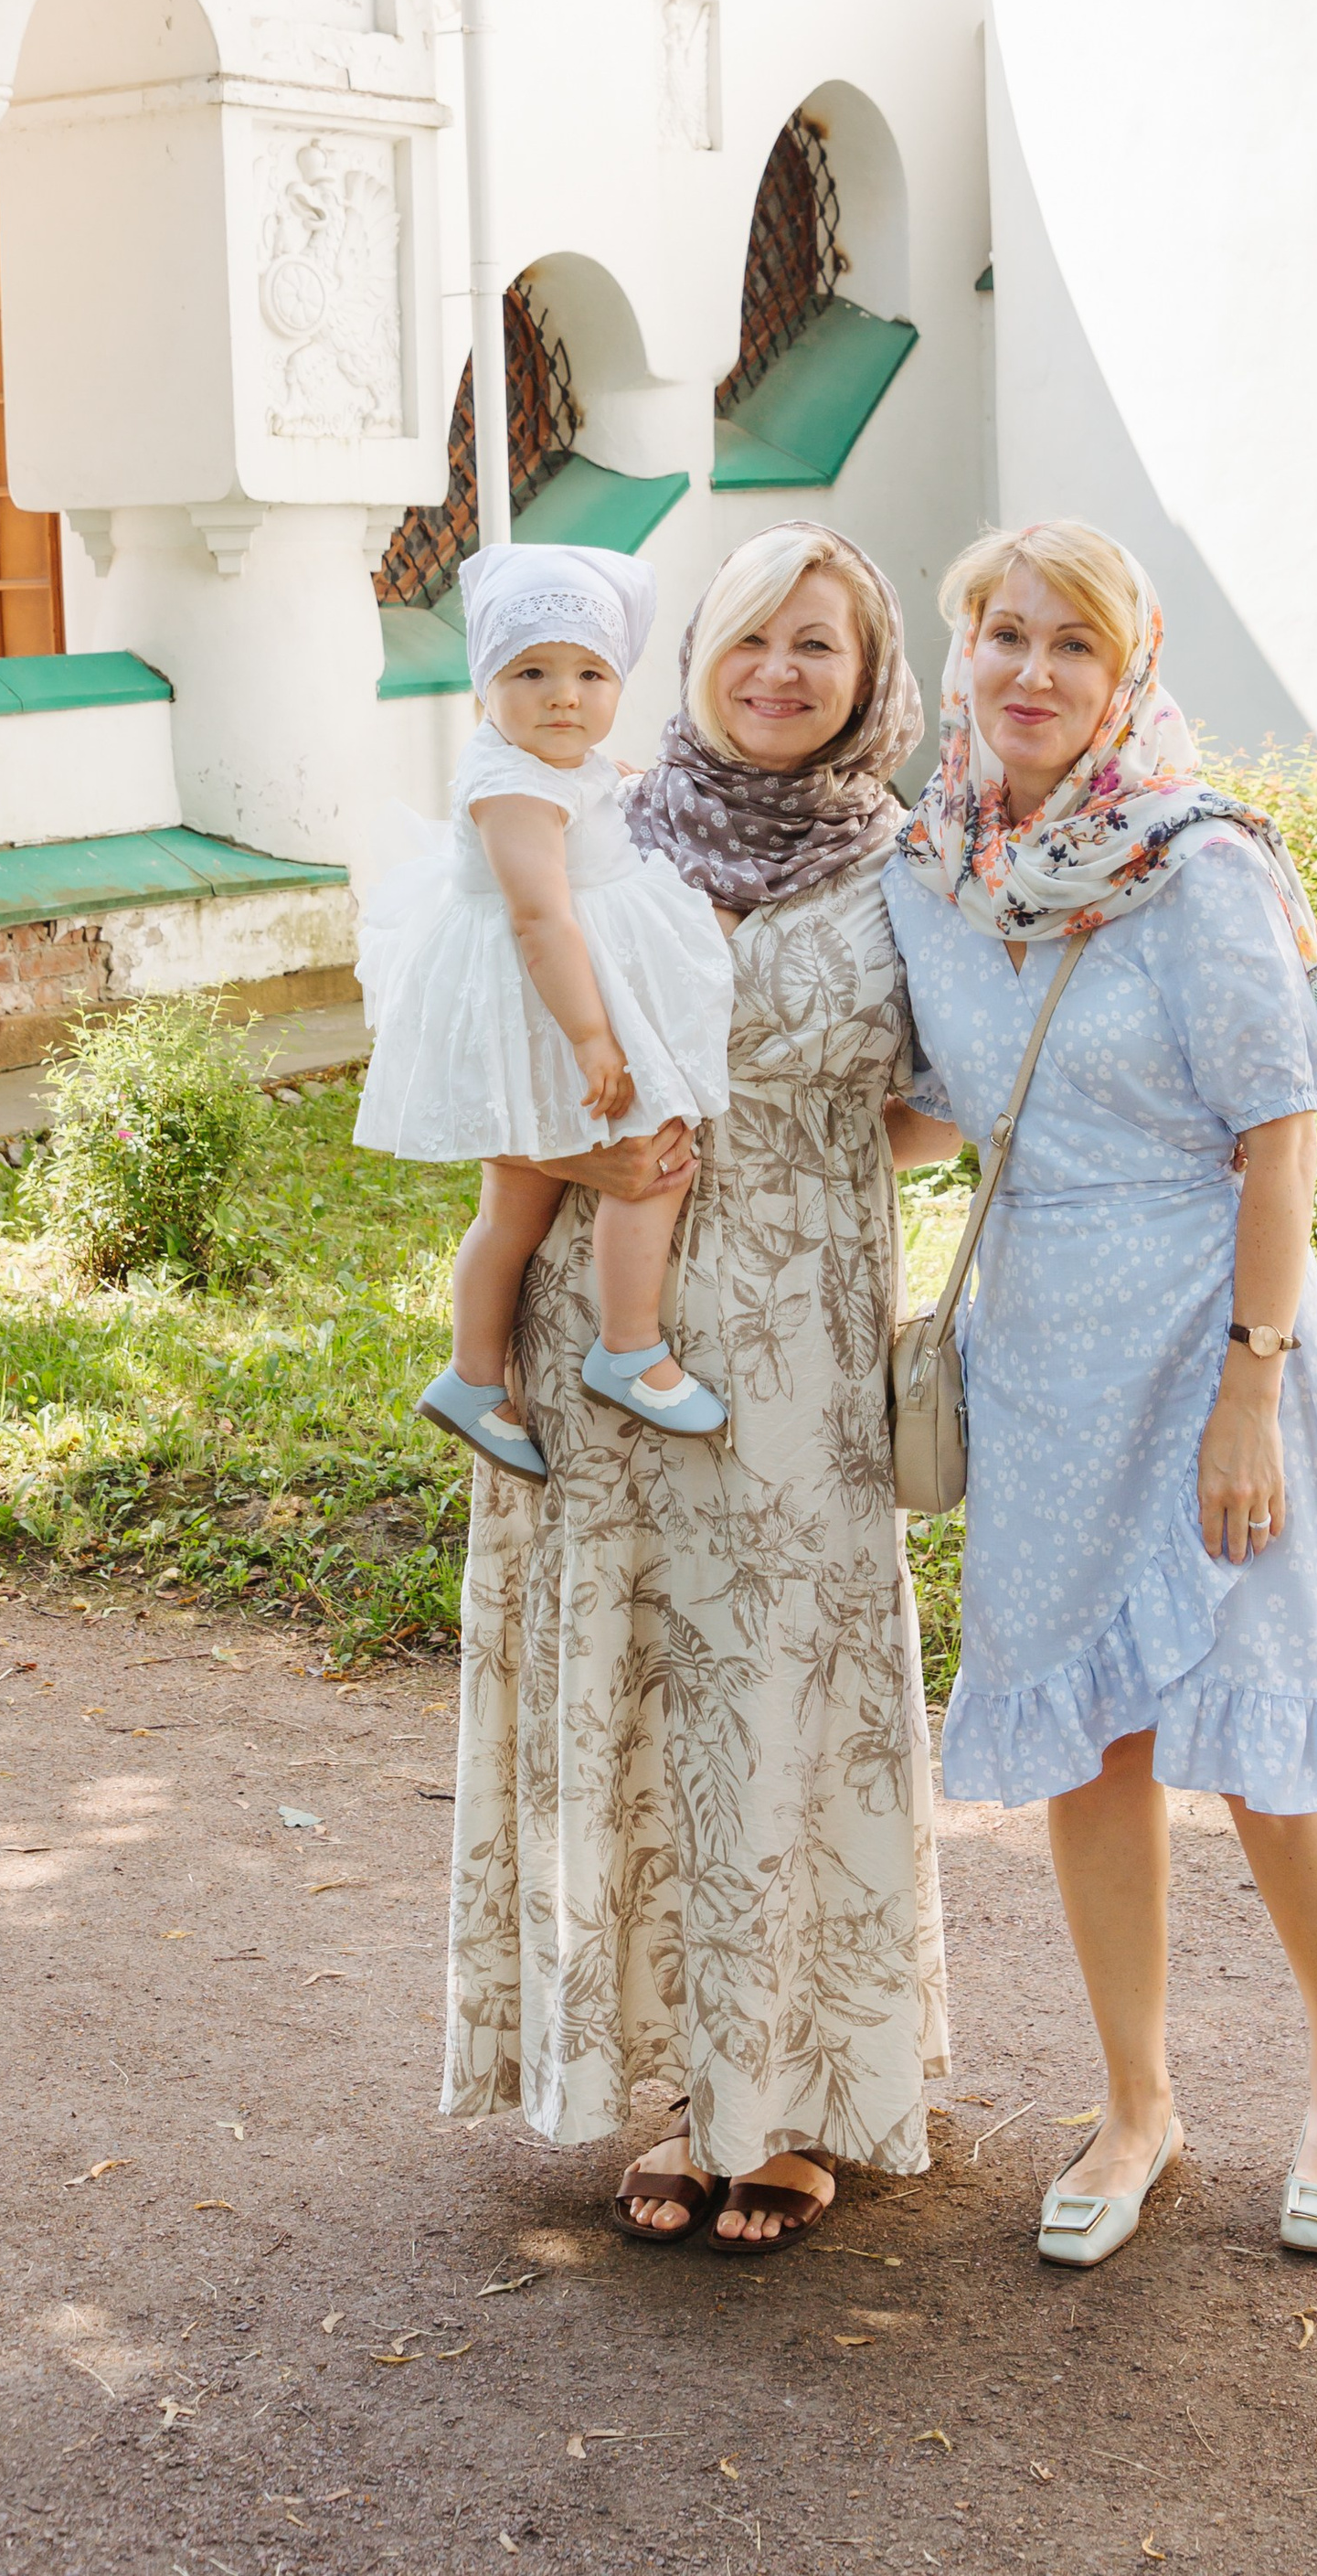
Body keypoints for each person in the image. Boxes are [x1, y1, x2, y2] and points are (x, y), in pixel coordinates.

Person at [884, 520, 1317, 2269]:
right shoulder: (935, 870)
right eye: (1004, 633)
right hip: (1048, 1343)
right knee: (1094, 1741)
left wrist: (1252, 1384)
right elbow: (953, 1112)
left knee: (1272, 1727)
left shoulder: (1199, 863)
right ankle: (1137, 2105)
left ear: (1127, 669)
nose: (1033, 673)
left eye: (1075, 643)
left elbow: (1275, 1139)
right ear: (965, 649)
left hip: (1217, 1327)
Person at [442, 523, 957, 2253]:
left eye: (819, 645)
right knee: (639, 1675)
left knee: (782, 1689)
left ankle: (789, 2094)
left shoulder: (909, 858)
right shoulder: (602, 817)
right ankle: (667, 2094)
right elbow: (479, 1031)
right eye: (750, 638)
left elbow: (944, 1088)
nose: (779, 673)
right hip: (606, 1316)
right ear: (699, 656)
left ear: (869, 674)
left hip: (804, 1331)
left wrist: (808, 1160)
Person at [353, 543, 736, 1472]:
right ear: (485, 685)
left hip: (541, 1000)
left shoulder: (550, 760)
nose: (564, 696)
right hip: (548, 1007)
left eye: (590, 673)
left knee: (514, 1204)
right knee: (648, 1156)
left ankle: (475, 1378)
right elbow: (539, 920)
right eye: (530, 672)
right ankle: (628, 1346)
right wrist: (595, 1038)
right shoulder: (513, 785)